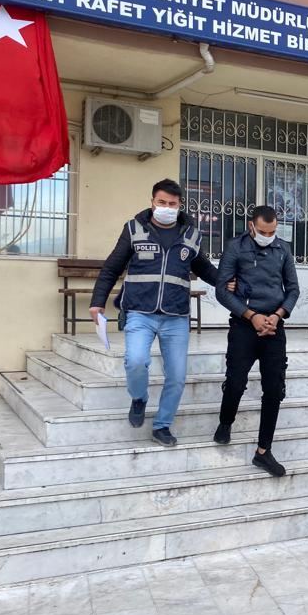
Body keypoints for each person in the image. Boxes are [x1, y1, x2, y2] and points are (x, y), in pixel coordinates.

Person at [89, 179, 217, 448]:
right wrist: (97, 301)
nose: (167, 207)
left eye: (172, 204)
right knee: (136, 361)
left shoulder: (191, 235)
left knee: (177, 376)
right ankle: (139, 398)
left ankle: (162, 425)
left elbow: (204, 268)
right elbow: (112, 268)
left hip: (176, 316)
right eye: (162, 202)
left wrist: (228, 282)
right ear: (152, 202)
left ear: (180, 205)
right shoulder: (134, 229)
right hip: (140, 312)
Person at [212, 205, 300, 477]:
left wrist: (277, 315)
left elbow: (293, 289)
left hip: (274, 327)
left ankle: (263, 451)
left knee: (274, 389)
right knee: (236, 382)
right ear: (252, 225)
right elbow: (222, 291)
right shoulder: (235, 247)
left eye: (272, 232)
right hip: (244, 325)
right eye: (263, 231)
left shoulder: (283, 249)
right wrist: (251, 316)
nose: (267, 236)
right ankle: (226, 421)